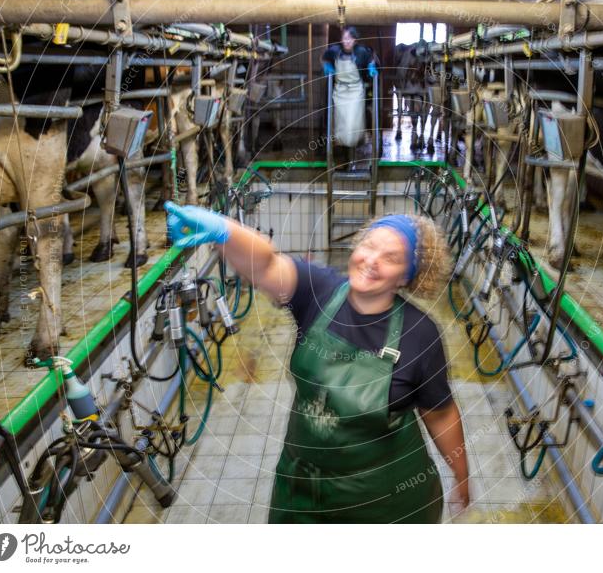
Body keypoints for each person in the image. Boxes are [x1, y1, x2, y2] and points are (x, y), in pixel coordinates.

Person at [164, 201, 470, 523]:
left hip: (383, 496)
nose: (372, 261)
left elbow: (440, 412)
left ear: (406, 276)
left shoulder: (420, 334)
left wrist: (460, 473)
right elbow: (264, 265)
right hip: (303, 487)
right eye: (369, 245)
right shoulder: (318, 291)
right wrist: (222, 229)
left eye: (391, 258)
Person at [322, 26, 378, 166]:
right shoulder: (334, 50)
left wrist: (372, 67)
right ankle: (342, 151)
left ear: (355, 40)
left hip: (355, 90)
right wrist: (327, 66)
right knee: (340, 121)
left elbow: (372, 60)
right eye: (344, 38)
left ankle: (353, 145)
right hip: (340, 90)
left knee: (353, 121)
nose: (347, 41)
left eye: (350, 38)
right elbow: (324, 58)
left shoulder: (362, 52)